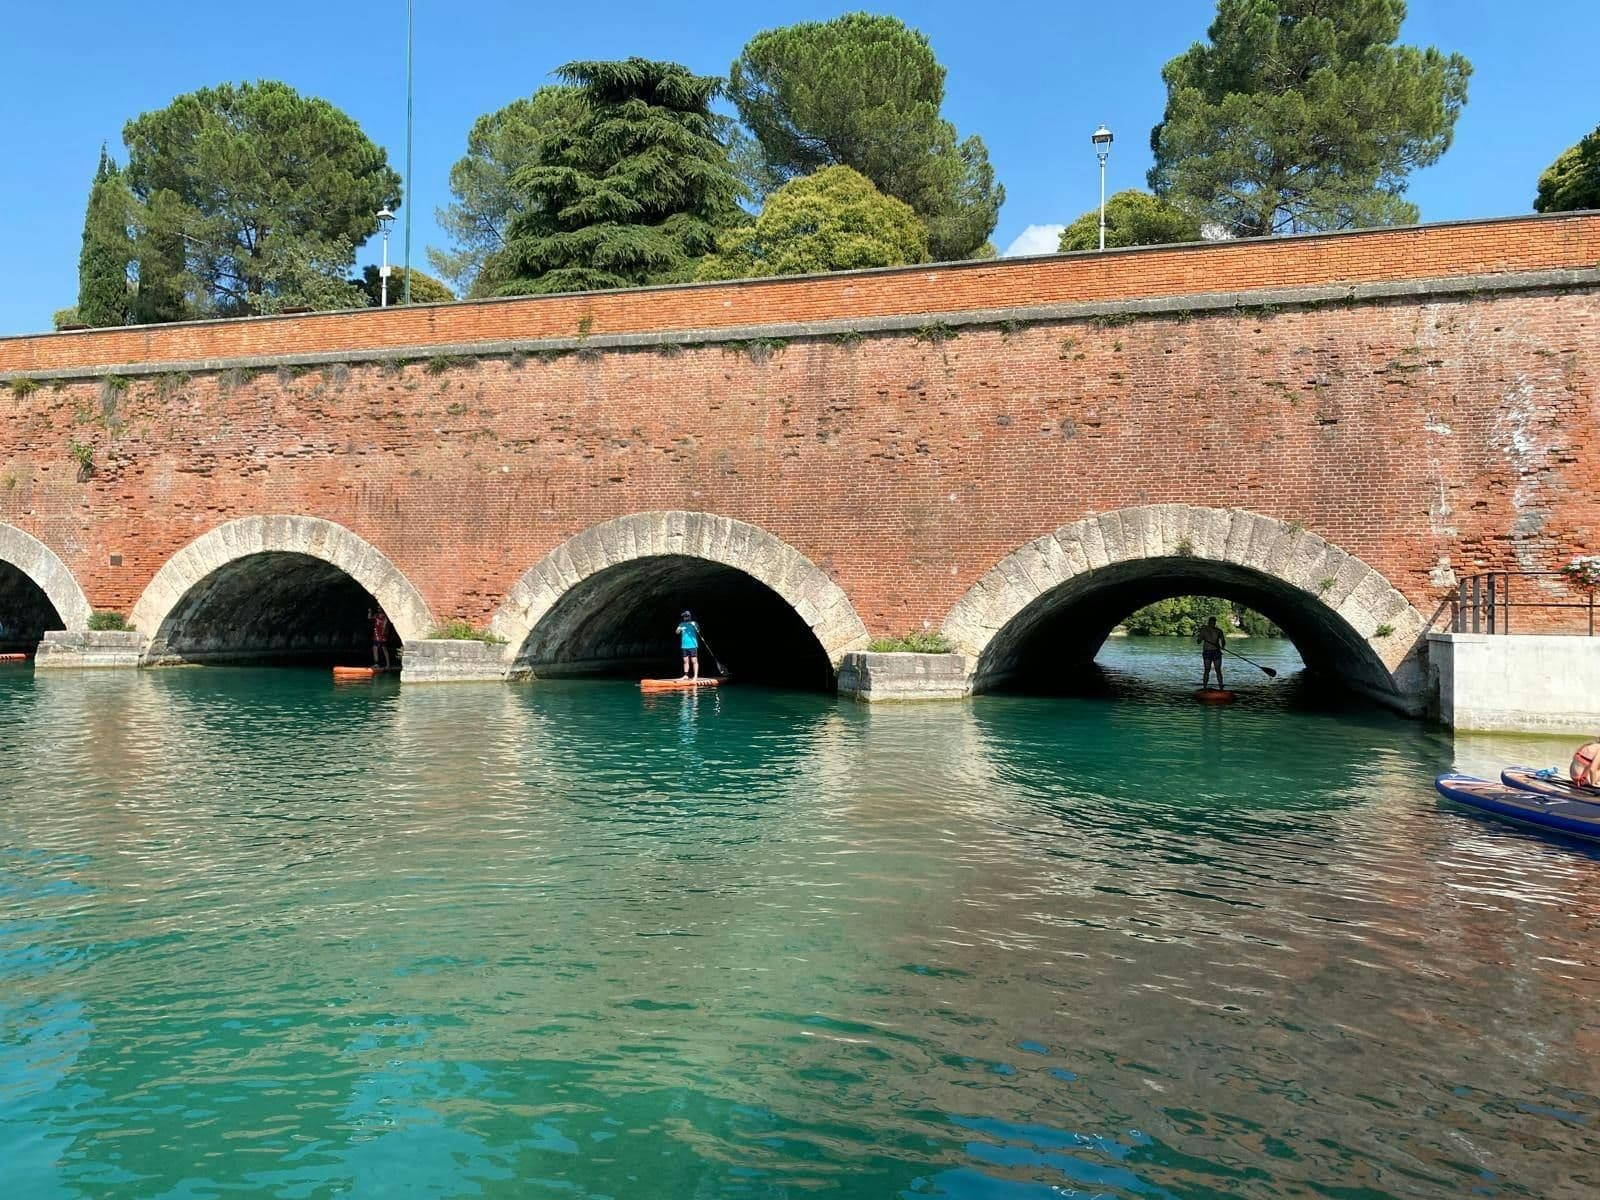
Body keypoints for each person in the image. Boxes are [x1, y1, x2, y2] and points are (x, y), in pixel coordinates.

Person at [1195, 615, 1226, 689]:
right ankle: (1205, 687)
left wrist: (1223, 646)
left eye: (1213, 622)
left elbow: (1223, 640)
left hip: (1216, 652)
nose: (1212, 624)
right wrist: (1200, 638)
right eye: (1211, 622)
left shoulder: (1218, 631)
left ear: (1215, 623)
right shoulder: (1204, 630)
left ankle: (1221, 686)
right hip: (1207, 652)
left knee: (1218, 670)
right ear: (1208, 623)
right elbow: (1198, 642)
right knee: (1207, 670)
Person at [676, 609, 701, 680]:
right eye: (684, 616)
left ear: (689, 616)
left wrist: (695, 626)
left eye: (686, 616)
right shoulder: (681, 624)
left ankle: (695, 676)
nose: (685, 617)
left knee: (694, 661)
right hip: (684, 646)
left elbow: (698, 631)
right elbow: (677, 632)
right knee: (685, 661)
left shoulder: (694, 623)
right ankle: (686, 675)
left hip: (693, 645)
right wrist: (679, 629)